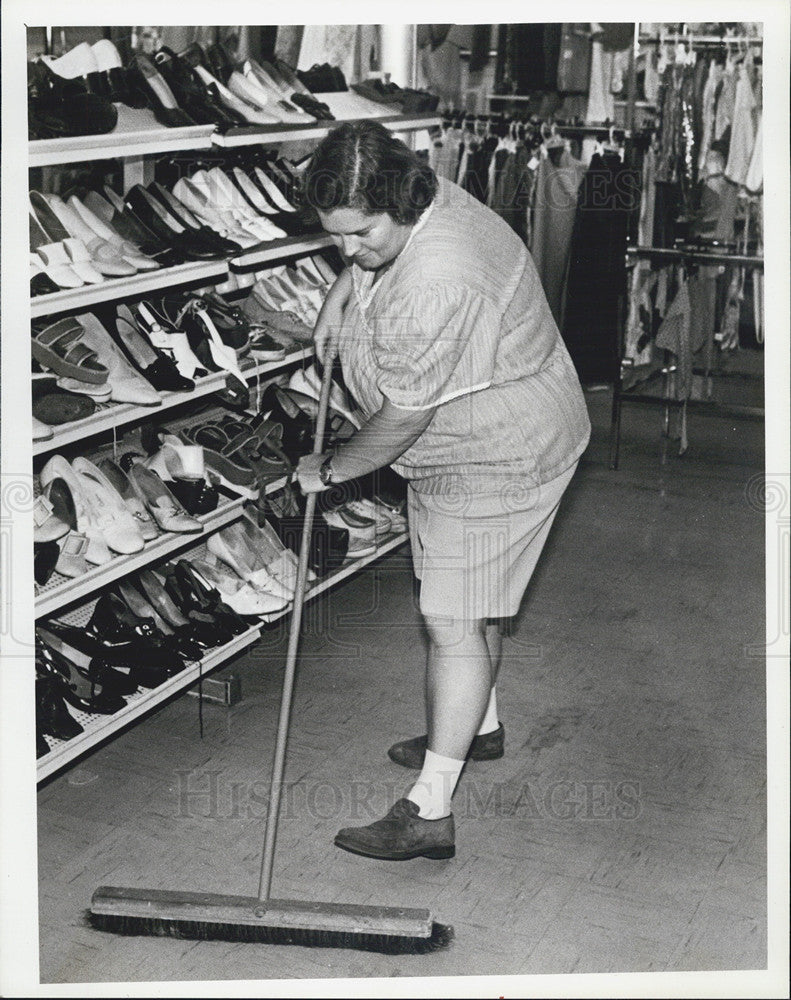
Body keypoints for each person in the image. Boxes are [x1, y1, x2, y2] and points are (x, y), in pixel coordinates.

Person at [295, 120, 591, 861]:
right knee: (472, 595)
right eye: (334, 237)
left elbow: (401, 418)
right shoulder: (422, 194)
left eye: (358, 235)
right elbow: (372, 257)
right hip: (466, 439)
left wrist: (328, 469)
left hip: (498, 448)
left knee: (451, 619)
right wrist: (347, 283)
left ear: (397, 203)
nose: (346, 249)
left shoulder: (439, 277)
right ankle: (477, 727)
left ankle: (428, 811)